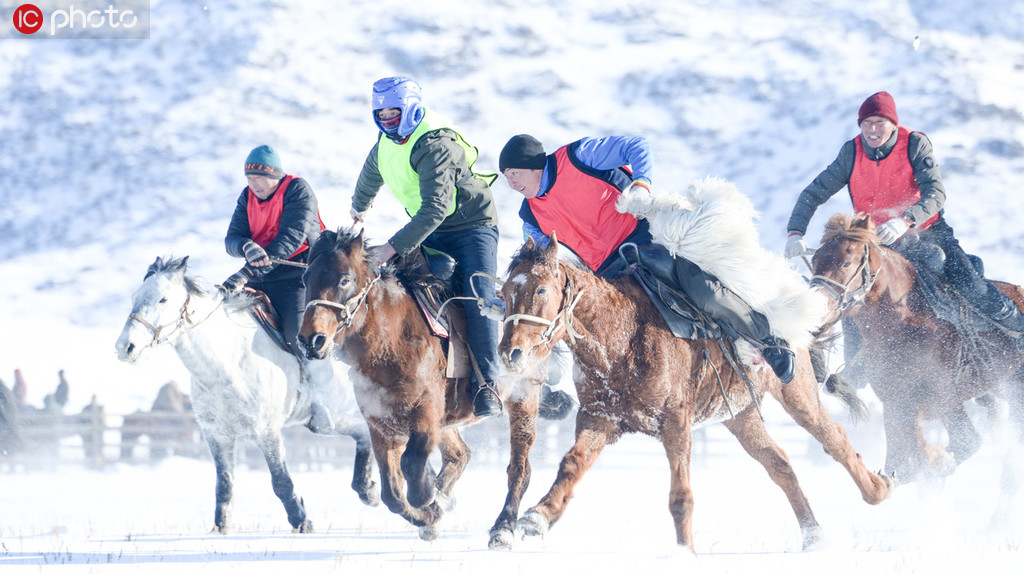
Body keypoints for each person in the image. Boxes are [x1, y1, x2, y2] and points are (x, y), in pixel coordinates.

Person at [499, 134, 796, 383]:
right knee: (581, 325)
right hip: (606, 272)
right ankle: (552, 384)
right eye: (506, 178)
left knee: (701, 290)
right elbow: (539, 266)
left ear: (533, 164)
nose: (511, 183)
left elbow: (636, 146)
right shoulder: (530, 215)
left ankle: (769, 342)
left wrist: (641, 185)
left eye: (515, 173)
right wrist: (510, 298)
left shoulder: (579, 156)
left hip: (646, 238)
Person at [785, 91, 1024, 351]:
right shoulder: (851, 153)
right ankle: (852, 371)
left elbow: (936, 193)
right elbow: (813, 193)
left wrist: (905, 220)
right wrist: (795, 233)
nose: (872, 129)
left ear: (893, 124)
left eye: (880, 122)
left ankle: (1018, 328)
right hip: (879, 241)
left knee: (967, 282)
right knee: (852, 289)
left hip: (928, 230)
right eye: (866, 123)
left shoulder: (914, 144)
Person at [350, 76, 504, 417]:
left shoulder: (436, 143)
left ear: (411, 108)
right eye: (381, 114)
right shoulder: (388, 140)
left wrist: (391, 247)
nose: (387, 120)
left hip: (470, 226)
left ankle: (488, 384)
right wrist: (359, 205)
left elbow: (436, 208)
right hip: (431, 227)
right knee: (404, 287)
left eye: (394, 113)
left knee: (476, 295)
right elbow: (374, 168)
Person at [223, 145, 335, 430]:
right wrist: (246, 245)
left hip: (297, 276)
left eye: (259, 178)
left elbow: (291, 240)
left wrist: (245, 271)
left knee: (300, 335)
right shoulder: (247, 196)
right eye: (249, 179)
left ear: (275, 175)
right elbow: (231, 238)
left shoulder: (297, 190)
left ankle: (321, 401)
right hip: (260, 277)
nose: (254, 184)